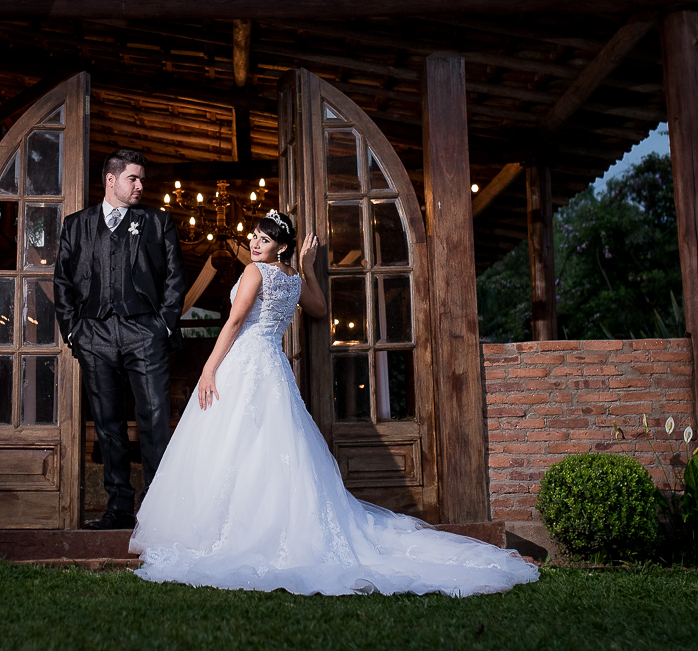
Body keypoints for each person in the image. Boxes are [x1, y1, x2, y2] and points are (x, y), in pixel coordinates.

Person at [130, 210, 539, 596]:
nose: (255, 244)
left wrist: (207, 369)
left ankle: (228, 531)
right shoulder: (291, 279)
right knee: (266, 448)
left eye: (265, 239)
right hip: (271, 364)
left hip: (245, 360)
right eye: (254, 237)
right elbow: (319, 308)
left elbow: (235, 322)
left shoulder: (256, 272)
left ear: (281, 247)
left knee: (237, 444)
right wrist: (306, 268)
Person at [53, 149, 186, 530]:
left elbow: (176, 277)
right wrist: (74, 331)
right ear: (111, 181)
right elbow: (62, 282)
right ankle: (119, 509)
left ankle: (160, 510)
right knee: (108, 425)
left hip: (145, 332)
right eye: (133, 179)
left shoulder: (157, 222)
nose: (140, 186)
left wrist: (162, 325)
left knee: (155, 418)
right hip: (94, 334)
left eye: (142, 179)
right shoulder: (76, 225)